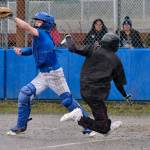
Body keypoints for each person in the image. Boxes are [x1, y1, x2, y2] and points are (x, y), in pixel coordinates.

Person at [6, 12, 94, 136]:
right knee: (24, 94)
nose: (36, 22)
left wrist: (12, 18)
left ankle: (88, 126)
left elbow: (26, 27)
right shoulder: (43, 35)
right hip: (43, 75)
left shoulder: (41, 33)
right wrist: (22, 51)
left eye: (39, 21)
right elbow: (33, 50)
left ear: (46, 24)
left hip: (54, 74)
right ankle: (21, 126)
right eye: (36, 20)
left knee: (67, 101)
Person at [60, 33, 132, 135]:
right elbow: (118, 83)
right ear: (114, 45)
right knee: (104, 128)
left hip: (85, 90)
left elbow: (73, 48)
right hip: (96, 94)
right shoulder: (116, 60)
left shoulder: (93, 49)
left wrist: (68, 38)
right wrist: (125, 95)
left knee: (104, 125)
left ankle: (107, 125)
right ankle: (79, 117)